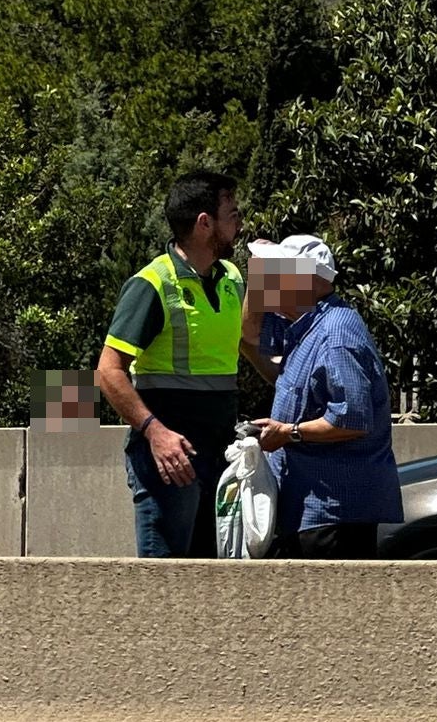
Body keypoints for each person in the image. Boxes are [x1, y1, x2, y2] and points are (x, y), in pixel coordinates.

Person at [95, 171, 279, 558]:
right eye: (232, 212)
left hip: (220, 457)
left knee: (210, 581)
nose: (239, 223)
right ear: (204, 223)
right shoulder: (152, 283)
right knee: (166, 585)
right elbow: (107, 371)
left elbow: (247, 340)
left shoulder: (230, 276)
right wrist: (155, 433)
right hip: (171, 462)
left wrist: (291, 389)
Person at [246, 235, 404, 557]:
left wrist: (288, 433)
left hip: (335, 517)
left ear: (305, 280)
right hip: (310, 513)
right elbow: (249, 331)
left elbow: (353, 419)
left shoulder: (336, 336)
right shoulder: (303, 324)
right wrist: (258, 272)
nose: (268, 281)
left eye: (277, 271)